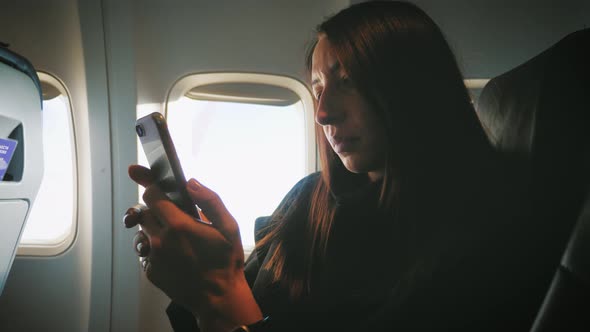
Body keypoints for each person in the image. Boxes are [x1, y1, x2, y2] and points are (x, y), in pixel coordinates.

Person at [124, 1, 539, 331]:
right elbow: (235, 295)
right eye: (318, 88)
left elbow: (232, 301)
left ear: (411, 89)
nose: (322, 113)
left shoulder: (470, 246)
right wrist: (201, 268)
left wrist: (220, 291)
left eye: (347, 82)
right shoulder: (309, 198)